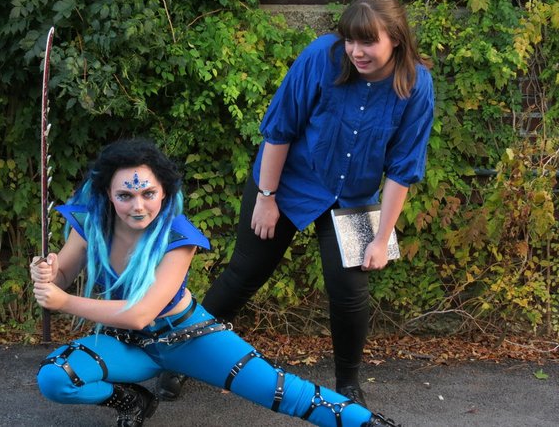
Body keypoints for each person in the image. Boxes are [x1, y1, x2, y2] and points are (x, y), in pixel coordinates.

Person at [158, 0, 434, 408]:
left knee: (349, 290)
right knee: (244, 274)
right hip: (287, 181)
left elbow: (402, 168)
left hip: (355, 196)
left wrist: (382, 238)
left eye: (368, 41)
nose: (356, 51)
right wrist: (266, 198)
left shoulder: (416, 86)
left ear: (395, 37)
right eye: (350, 40)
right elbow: (280, 129)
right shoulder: (323, 57)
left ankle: (349, 383)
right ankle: (180, 360)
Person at [30, 138, 399, 427]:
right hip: (128, 348)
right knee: (55, 378)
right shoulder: (91, 225)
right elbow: (61, 273)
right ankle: (133, 400)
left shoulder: (178, 237)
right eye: (124, 195)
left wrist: (63, 301)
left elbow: (140, 314)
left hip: (188, 338)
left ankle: (369, 424)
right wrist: (47, 272)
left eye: (148, 193)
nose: (137, 206)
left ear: (164, 192)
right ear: (108, 196)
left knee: (282, 392)